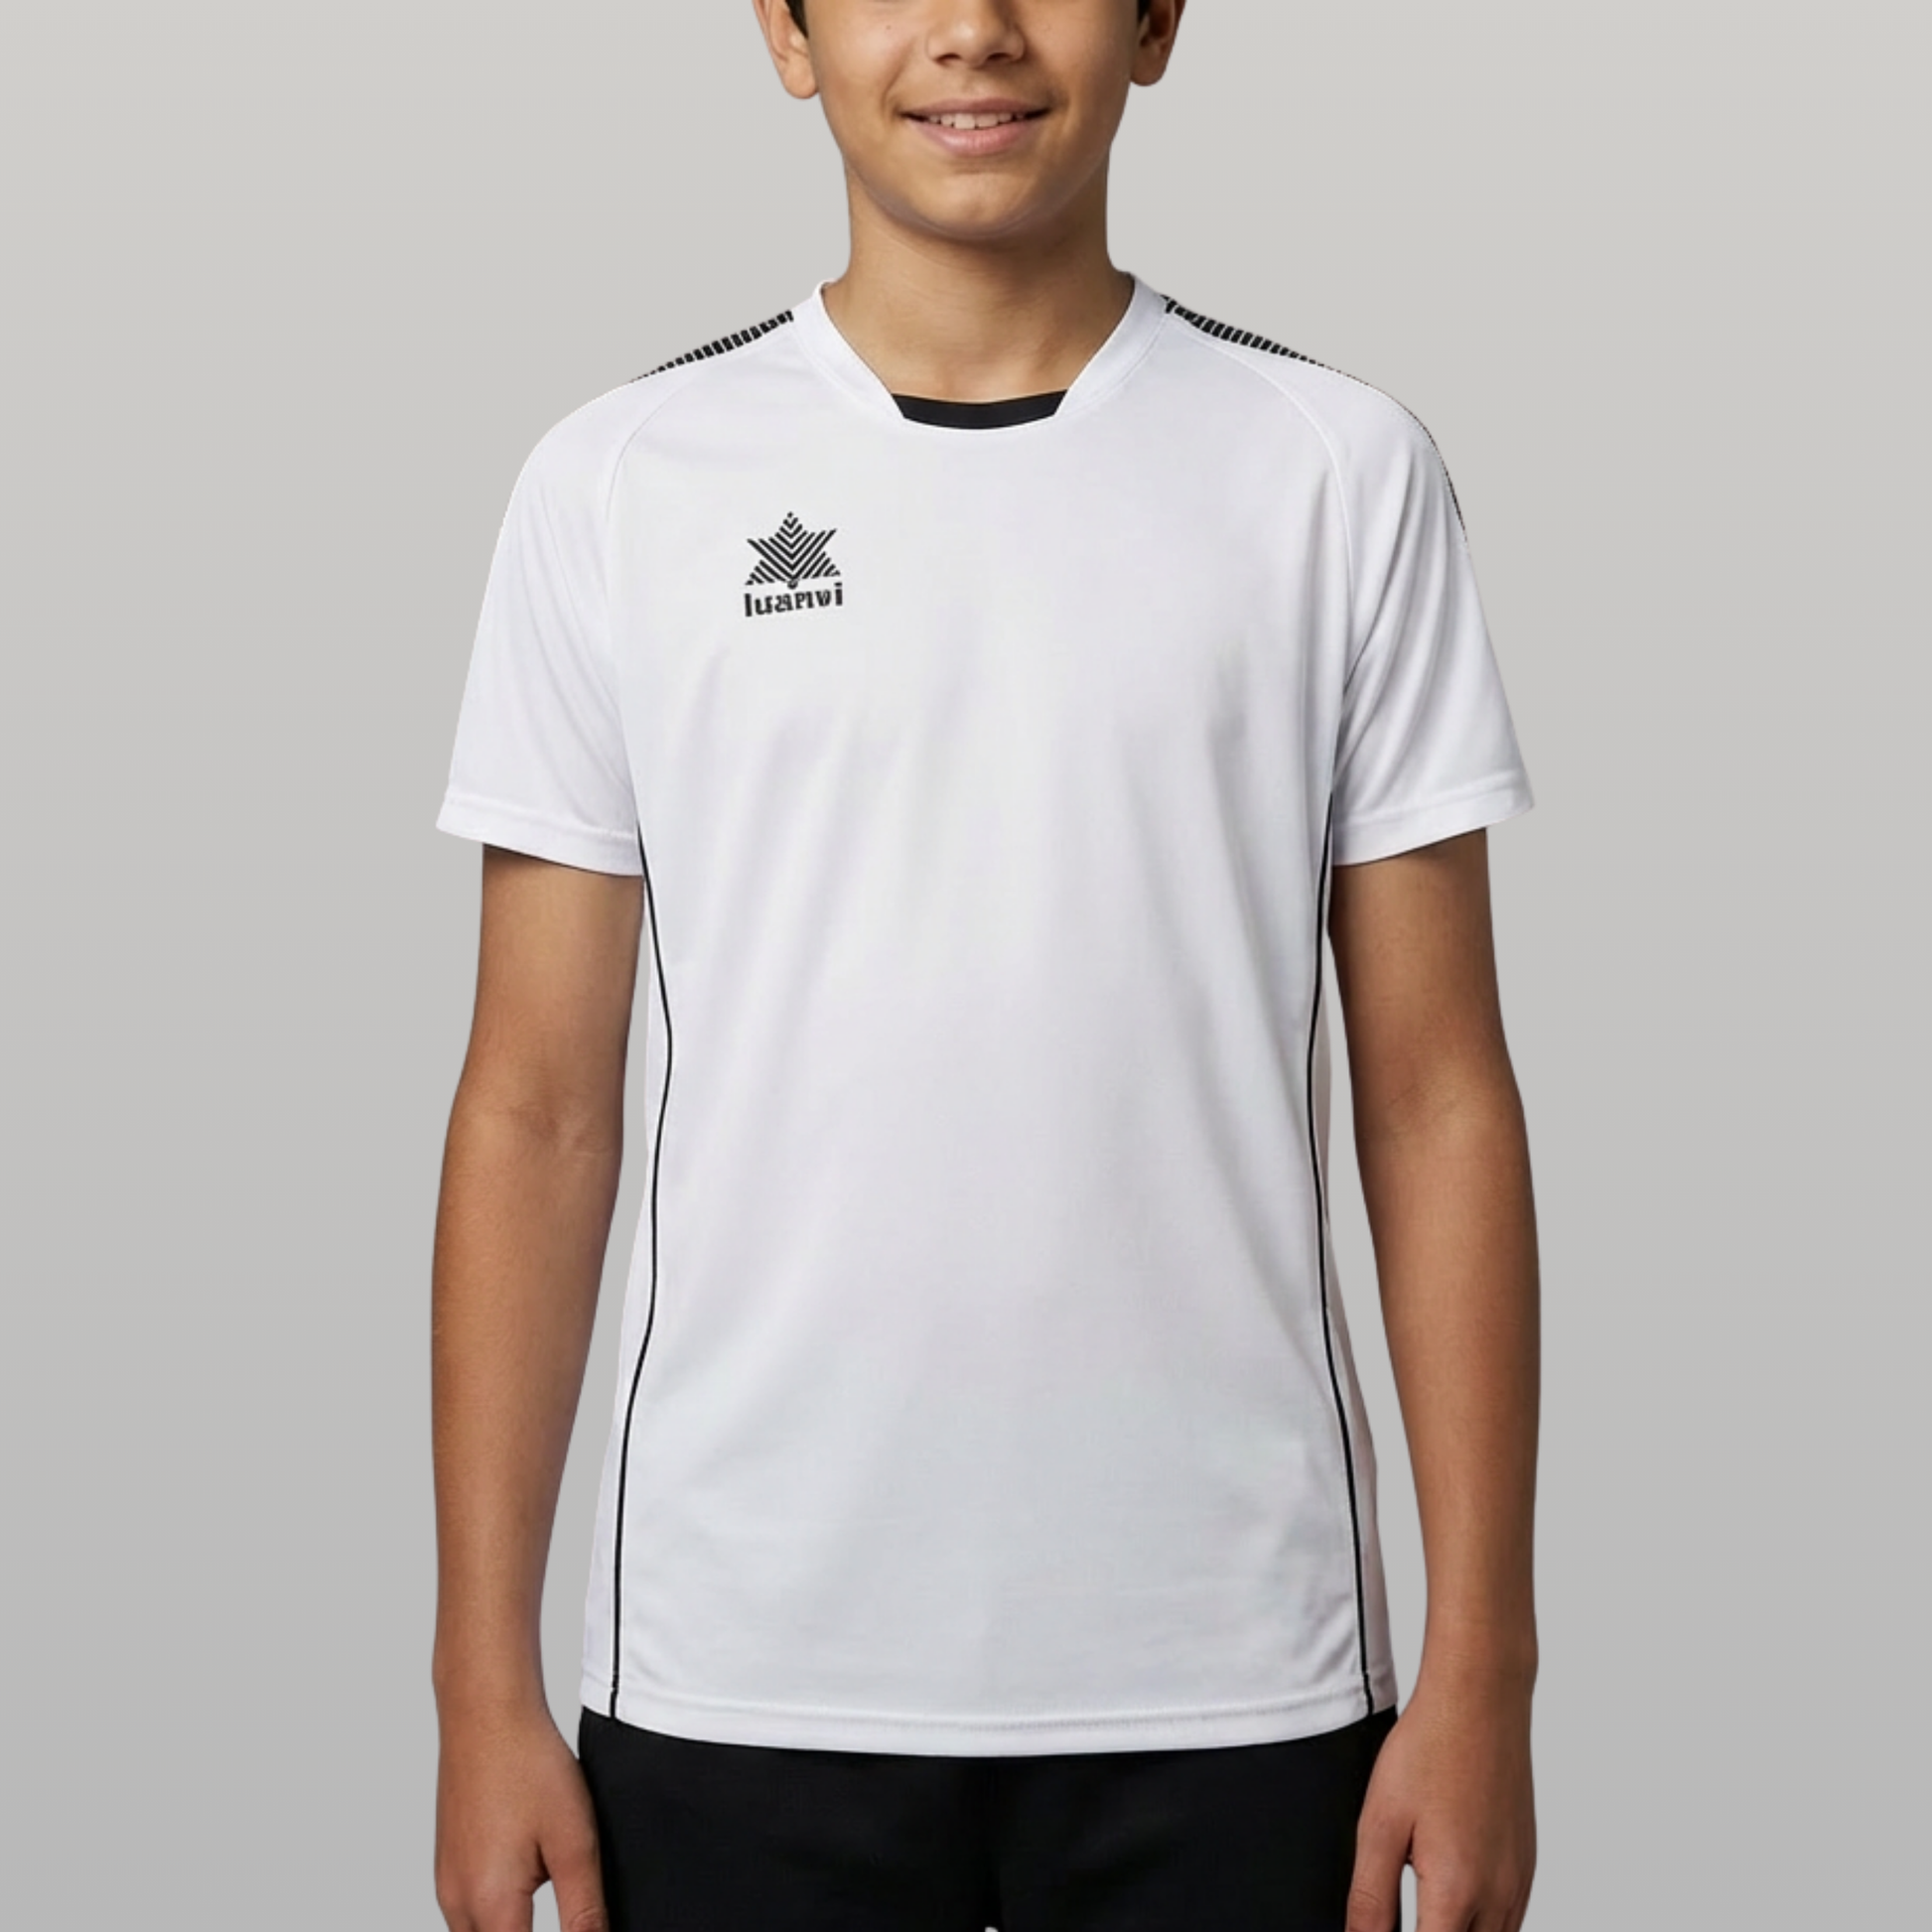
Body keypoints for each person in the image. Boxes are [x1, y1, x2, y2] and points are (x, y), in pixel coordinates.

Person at [429, 1, 1541, 1927]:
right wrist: (477, 1682)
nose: (972, 30)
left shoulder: (1333, 472)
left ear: (1157, 21)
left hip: (1237, 1669)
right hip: (741, 1664)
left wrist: (1484, 1672)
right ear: (784, 31)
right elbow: (534, 1109)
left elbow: (1436, 1097)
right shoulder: (621, 482)